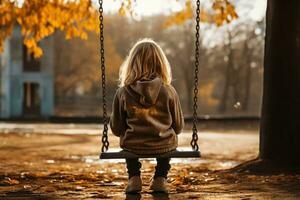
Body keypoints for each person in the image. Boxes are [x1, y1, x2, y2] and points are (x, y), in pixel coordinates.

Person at [110, 38, 184, 193]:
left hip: (132, 145)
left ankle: (134, 178)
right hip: (163, 144)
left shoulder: (122, 92)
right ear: (161, 64)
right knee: (169, 139)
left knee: (128, 138)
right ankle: (160, 178)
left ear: (131, 64)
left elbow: (117, 129)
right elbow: (178, 127)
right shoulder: (169, 91)